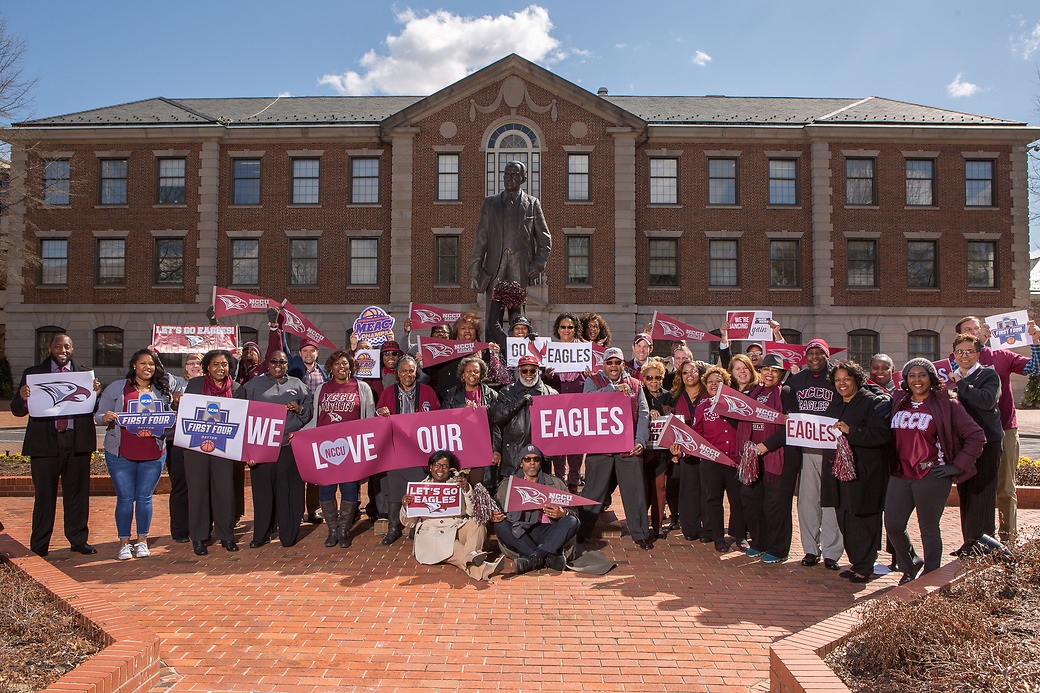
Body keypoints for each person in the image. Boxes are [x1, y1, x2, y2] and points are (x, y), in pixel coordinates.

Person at [887, 359, 985, 584]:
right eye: (911, 375)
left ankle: (931, 575)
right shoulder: (899, 401)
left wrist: (957, 466)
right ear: (906, 380)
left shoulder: (947, 404)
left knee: (928, 528)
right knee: (893, 525)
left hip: (931, 474)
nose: (917, 380)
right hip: (900, 473)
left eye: (922, 375)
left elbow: (976, 436)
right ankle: (911, 565)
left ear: (931, 378)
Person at [11, 333, 102, 557]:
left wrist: (96, 394)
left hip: (77, 441)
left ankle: (78, 540)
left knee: (78, 495)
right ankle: (40, 545)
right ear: (50, 348)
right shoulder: (33, 374)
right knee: (44, 495)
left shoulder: (84, 374)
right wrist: (23, 397)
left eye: (67, 346)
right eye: (58, 346)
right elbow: (17, 410)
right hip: (45, 443)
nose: (63, 350)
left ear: (72, 349)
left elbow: (93, 408)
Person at [951, 316, 1040, 541]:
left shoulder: (1002, 356)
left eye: (977, 328)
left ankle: (1007, 539)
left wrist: (1036, 343)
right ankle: (976, 538)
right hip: (969, 434)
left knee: (1005, 488)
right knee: (973, 486)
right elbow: (954, 376)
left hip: (1004, 428)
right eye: (968, 330)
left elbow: (1034, 368)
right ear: (959, 338)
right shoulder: (958, 359)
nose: (974, 332)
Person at [95, 348, 173, 560]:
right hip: (121, 454)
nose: (147, 367)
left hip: (153, 453)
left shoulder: (161, 391)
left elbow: (169, 420)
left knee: (145, 498)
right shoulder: (117, 388)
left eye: (151, 364)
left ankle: (142, 541)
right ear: (133, 365)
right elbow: (98, 415)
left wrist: (171, 416)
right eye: (142, 363)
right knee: (125, 498)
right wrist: (106, 417)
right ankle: (123, 543)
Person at [820, 361, 892, 582]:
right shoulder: (836, 404)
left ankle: (865, 565)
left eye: (847, 379)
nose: (842, 384)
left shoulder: (872, 402)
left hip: (865, 473)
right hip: (839, 472)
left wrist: (853, 431)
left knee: (863, 518)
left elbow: (882, 436)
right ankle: (856, 561)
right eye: (838, 380)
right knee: (845, 518)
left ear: (856, 380)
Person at [468, 160, 552, 346]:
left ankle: (516, 359)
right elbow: (481, 240)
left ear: (523, 179)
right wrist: (474, 272)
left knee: (518, 318)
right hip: (494, 270)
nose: (509, 178)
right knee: (492, 319)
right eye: (506, 174)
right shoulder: (490, 203)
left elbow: (544, 240)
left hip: (519, 269)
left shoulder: (532, 204)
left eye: (514, 175)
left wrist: (537, 265)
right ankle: (493, 360)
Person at [236, 350, 313, 548]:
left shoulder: (298, 385)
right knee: (263, 492)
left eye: (283, 362)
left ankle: (288, 533)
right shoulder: (251, 387)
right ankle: (262, 533)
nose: (278, 364)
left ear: (288, 365)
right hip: (262, 447)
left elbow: (309, 409)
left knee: (289, 491)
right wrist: (248, 450)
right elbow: (240, 416)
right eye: (274, 361)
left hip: (289, 446)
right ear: (267, 364)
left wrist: (299, 409)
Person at [578, 347, 653, 550]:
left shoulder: (636, 384)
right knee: (592, 492)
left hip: (628, 446)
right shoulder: (593, 380)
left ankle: (640, 534)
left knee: (634, 492)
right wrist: (613, 390)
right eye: (609, 362)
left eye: (617, 362)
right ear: (603, 364)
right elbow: (587, 403)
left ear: (622, 364)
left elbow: (644, 414)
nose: (613, 366)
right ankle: (581, 533)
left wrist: (640, 440)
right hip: (600, 447)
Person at [302, 350, 376, 548]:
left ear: (351, 367)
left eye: (345, 364)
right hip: (325, 448)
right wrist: (299, 434)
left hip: (352, 448)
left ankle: (344, 530)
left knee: (349, 488)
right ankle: (332, 530)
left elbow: (369, 419)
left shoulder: (362, 388)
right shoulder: (322, 388)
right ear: (330, 368)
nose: (341, 367)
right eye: (337, 364)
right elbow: (316, 420)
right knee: (326, 488)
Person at [783, 338, 842, 570]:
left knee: (831, 502)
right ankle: (810, 549)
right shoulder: (797, 381)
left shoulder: (837, 376)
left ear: (827, 355)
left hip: (832, 449)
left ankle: (831, 552)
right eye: (811, 354)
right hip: (806, 449)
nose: (815, 357)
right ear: (805, 357)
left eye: (820, 353)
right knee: (807, 502)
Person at [401, 451, 504, 582]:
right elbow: (409, 523)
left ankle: (472, 554)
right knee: (456, 549)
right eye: (437, 465)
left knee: (478, 522)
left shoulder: (457, 485)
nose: (440, 469)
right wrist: (406, 506)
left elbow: (472, 512)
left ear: (450, 469)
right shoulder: (419, 489)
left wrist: (467, 490)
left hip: (456, 528)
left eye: (445, 466)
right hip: (434, 534)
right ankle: (482, 569)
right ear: (430, 467)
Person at [181, 349, 241, 556]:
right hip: (197, 447)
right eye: (215, 364)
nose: (220, 368)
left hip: (225, 448)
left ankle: (226, 535)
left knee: (225, 492)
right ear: (207, 366)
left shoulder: (236, 388)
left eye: (224, 364)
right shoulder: (195, 385)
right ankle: (198, 537)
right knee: (198, 492)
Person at [376, 354, 440, 545]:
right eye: (404, 371)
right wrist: (380, 413)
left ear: (416, 371)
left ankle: (417, 526)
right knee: (395, 488)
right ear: (397, 373)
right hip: (396, 447)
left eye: (411, 370)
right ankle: (394, 527)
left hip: (420, 448)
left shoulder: (427, 391)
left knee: (419, 488)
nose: (408, 374)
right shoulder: (388, 392)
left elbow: (439, 416)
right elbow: (377, 415)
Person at [947, 334, 1002, 553]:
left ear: (978, 353)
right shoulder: (949, 377)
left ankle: (984, 545)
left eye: (969, 351)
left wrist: (961, 384)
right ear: (954, 355)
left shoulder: (988, 375)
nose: (964, 356)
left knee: (983, 492)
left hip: (987, 442)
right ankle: (969, 542)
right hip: (962, 444)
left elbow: (986, 401)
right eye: (960, 352)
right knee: (966, 491)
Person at [736, 354, 792, 564]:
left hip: (774, 456)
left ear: (780, 374)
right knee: (750, 500)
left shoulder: (786, 393)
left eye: (774, 370)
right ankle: (759, 542)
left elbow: (791, 427)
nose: (769, 373)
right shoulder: (753, 393)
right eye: (766, 369)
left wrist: (766, 446)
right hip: (751, 457)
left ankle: (778, 549)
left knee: (774, 504)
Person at [492, 445, 581, 573]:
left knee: (572, 521)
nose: (532, 463)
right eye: (527, 459)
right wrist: (493, 515)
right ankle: (547, 558)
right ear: (521, 463)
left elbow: (574, 511)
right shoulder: (507, 485)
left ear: (540, 463)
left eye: (536, 459)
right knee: (500, 524)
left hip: (548, 531)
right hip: (520, 531)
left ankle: (533, 559)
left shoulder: (555, 483)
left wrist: (563, 513)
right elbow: (496, 507)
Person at [691, 366, 746, 553]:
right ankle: (718, 537)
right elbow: (696, 432)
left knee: (737, 499)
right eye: (710, 381)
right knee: (713, 499)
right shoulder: (702, 406)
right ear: (706, 385)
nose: (714, 384)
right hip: (712, 460)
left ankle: (739, 535)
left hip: (734, 460)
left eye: (718, 381)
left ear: (726, 383)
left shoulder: (735, 402)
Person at [491, 355, 558, 480]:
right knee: (512, 493)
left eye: (532, 370)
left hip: (541, 454)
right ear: (518, 372)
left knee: (540, 493)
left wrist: (553, 449)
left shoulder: (551, 393)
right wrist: (518, 403)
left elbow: (559, 424)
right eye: (524, 370)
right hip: (513, 453)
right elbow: (498, 420)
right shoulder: (506, 392)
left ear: (538, 372)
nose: (529, 374)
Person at [544, 312, 589, 493]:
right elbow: (542, 382)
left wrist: (588, 376)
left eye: (570, 326)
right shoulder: (551, 351)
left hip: (577, 406)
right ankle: (560, 482)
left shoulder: (585, 350)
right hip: (557, 406)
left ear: (575, 329)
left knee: (576, 448)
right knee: (558, 448)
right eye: (563, 326)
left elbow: (592, 382)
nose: (566, 330)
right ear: (558, 329)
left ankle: (574, 482)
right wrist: (546, 376)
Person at [441, 356, 502, 491]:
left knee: (483, 488)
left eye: (476, 371)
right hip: (461, 447)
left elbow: (497, 424)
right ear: (463, 374)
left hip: (484, 448)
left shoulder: (491, 395)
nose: (472, 374)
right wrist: (463, 412)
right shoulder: (452, 393)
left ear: (481, 375)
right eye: (468, 371)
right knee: (462, 487)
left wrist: (496, 450)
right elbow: (443, 419)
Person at [668, 360, 709, 542]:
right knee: (688, 491)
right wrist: (673, 449)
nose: (689, 375)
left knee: (707, 490)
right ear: (681, 376)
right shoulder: (676, 397)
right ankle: (690, 528)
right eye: (685, 372)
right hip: (685, 452)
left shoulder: (709, 395)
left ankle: (707, 528)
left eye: (693, 371)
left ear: (699, 373)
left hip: (708, 450)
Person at [165, 352, 201, 544]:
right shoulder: (176, 383)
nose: (195, 365)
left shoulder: (208, 383)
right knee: (180, 485)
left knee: (202, 486)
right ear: (184, 366)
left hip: (203, 441)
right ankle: (180, 529)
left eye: (198, 362)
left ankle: (202, 526)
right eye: (191, 363)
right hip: (178, 440)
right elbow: (159, 377)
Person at [640, 358, 673, 538]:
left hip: (663, 452)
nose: (653, 381)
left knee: (660, 488)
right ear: (643, 378)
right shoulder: (639, 394)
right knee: (643, 488)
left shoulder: (669, 395)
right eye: (649, 378)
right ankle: (642, 524)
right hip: (643, 450)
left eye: (657, 378)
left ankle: (658, 525)